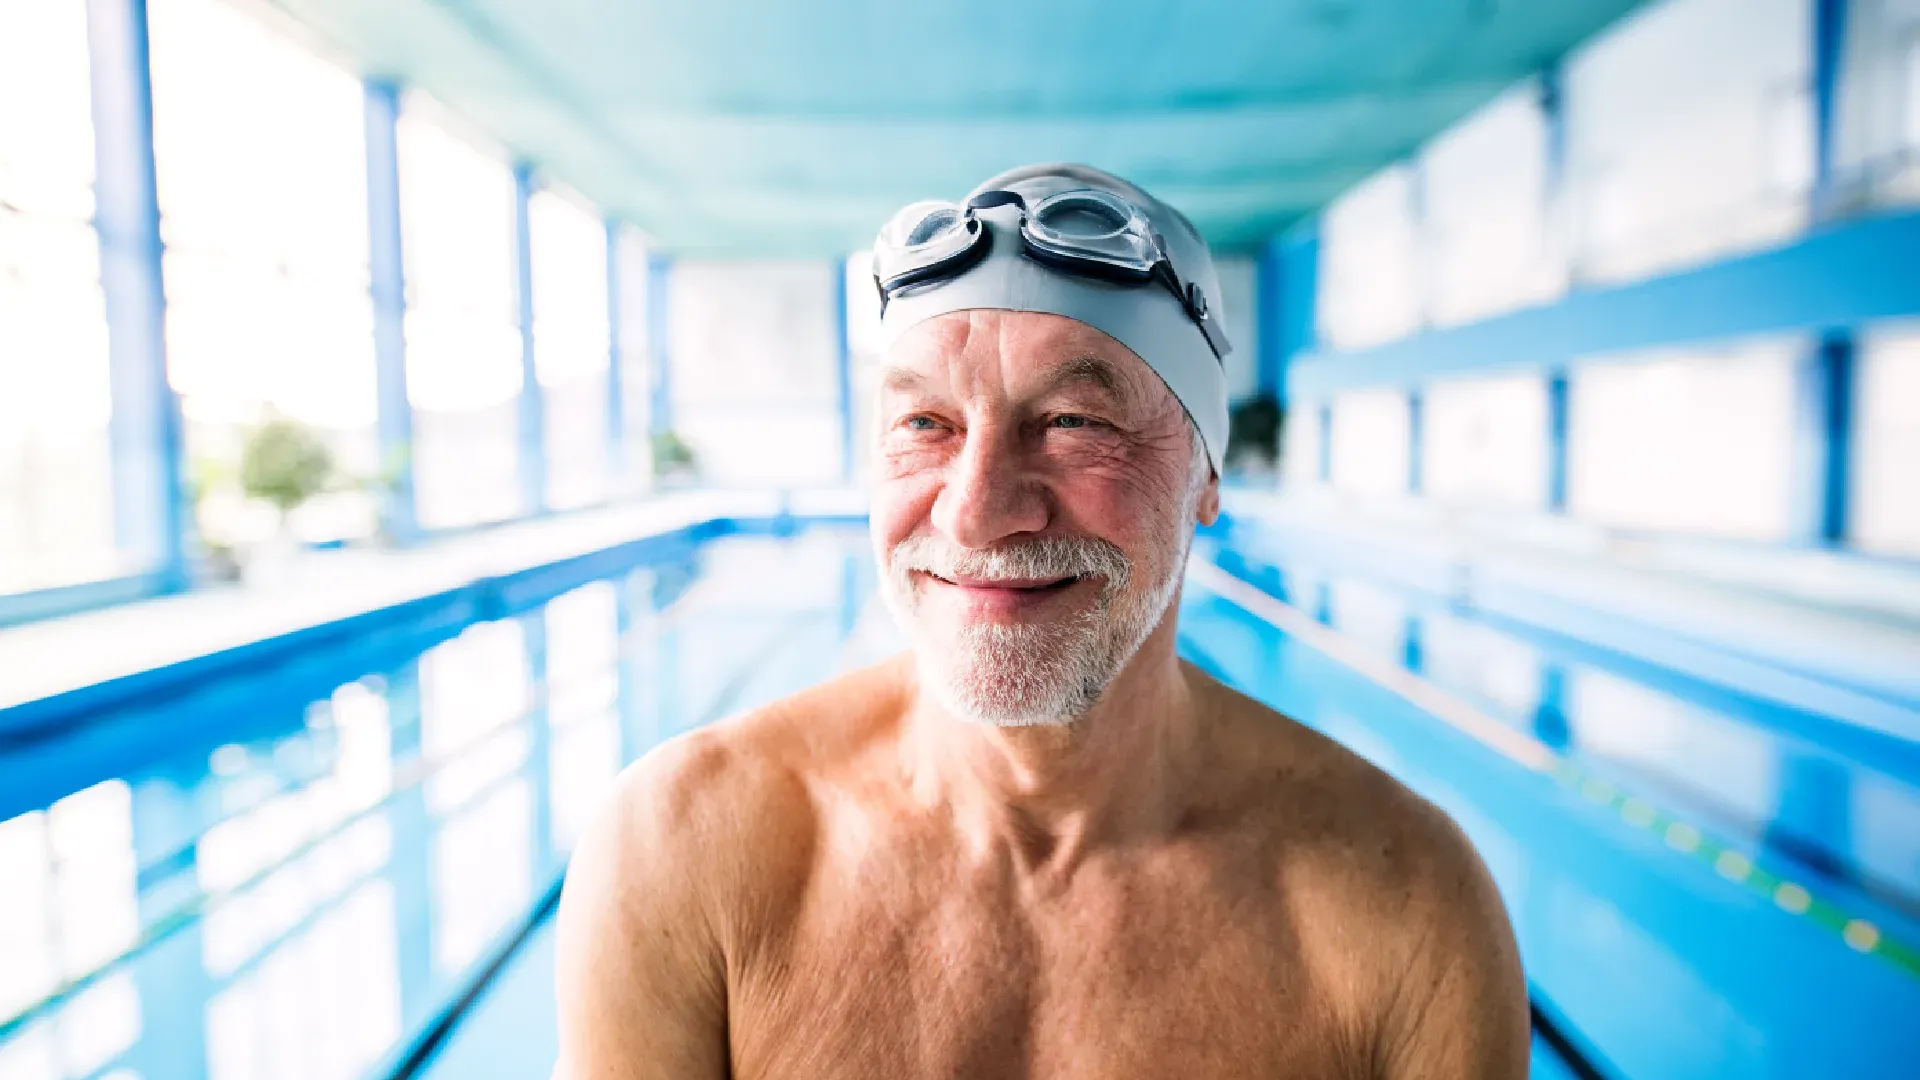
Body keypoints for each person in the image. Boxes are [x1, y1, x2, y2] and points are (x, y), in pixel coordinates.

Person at [553, 163, 1529, 1079]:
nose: (975, 512)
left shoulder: (1408, 911)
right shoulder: (684, 851)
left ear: (1206, 475)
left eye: (1073, 422)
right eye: (925, 424)